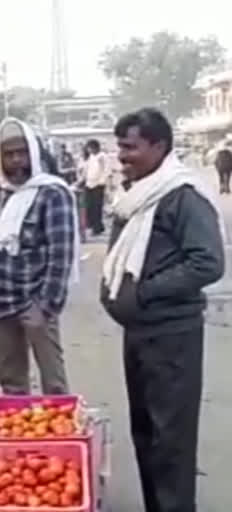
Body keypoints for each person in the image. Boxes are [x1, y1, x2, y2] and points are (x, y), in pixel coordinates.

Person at [101, 108, 224, 512]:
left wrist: (145, 292)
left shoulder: (181, 195)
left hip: (171, 335)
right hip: (140, 332)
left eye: (131, 147)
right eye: (120, 147)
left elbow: (207, 262)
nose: (123, 156)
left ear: (159, 145)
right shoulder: (139, 194)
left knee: (170, 439)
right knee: (147, 432)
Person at [0, 118, 79, 395]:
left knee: (54, 383)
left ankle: (58, 434)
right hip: (0, 299)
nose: (16, 161)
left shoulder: (52, 192)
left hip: (34, 300)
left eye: (21, 152)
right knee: (11, 383)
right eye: (8, 154)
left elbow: (62, 255)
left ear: (33, 153)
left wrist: (46, 305)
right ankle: (18, 435)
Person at [81, 139, 110, 235]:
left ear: (95, 147)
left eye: (90, 148)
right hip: (89, 184)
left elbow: (106, 170)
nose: (89, 150)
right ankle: (93, 225)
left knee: (97, 207)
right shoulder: (90, 157)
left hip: (98, 185)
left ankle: (97, 228)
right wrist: (82, 180)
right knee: (89, 207)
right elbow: (86, 170)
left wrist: (102, 181)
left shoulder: (102, 157)